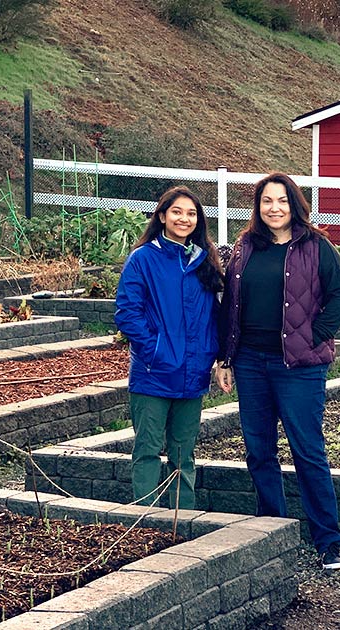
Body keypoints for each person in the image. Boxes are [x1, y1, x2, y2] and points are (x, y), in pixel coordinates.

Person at [214, 172, 340, 570]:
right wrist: (226, 358)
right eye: (266, 201)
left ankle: (329, 539)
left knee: (307, 450)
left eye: (282, 201)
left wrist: (313, 337)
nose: (274, 208)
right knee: (259, 451)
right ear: (258, 207)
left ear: (295, 204)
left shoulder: (317, 247)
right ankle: (271, 530)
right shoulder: (245, 248)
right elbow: (230, 306)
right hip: (251, 363)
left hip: (298, 367)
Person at [115, 186, 224, 509]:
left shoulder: (203, 261)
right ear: (162, 216)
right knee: (148, 450)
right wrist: (156, 351)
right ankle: (145, 524)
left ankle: (181, 522)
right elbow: (127, 313)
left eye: (191, 213)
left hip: (193, 374)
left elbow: (214, 315)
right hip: (154, 373)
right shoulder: (144, 259)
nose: (184, 218)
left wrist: (212, 355)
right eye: (177, 211)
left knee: (183, 455)